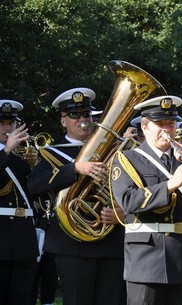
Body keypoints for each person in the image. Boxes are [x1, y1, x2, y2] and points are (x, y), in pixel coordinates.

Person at [110, 95, 182, 305]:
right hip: (147, 260)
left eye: (171, 123)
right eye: (160, 124)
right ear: (145, 126)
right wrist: (170, 184)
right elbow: (128, 201)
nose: (167, 129)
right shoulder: (126, 159)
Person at [27, 88, 126, 305]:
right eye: (75, 115)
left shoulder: (113, 149)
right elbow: (34, 185)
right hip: (72, 245)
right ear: (63, 121)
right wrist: (75, 169)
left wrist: (119, 211)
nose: (83, 120)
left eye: (87, 115)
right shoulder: (51, 153)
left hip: (110, 241)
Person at [0, 99, 39, 305]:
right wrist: (6, 151)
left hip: (24, 240)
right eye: (2, 124)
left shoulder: (20, 157)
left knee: (23, 298)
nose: (8, 128)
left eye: (11, 123)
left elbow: (37, 195)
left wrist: (33, 168)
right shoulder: (6, 154)